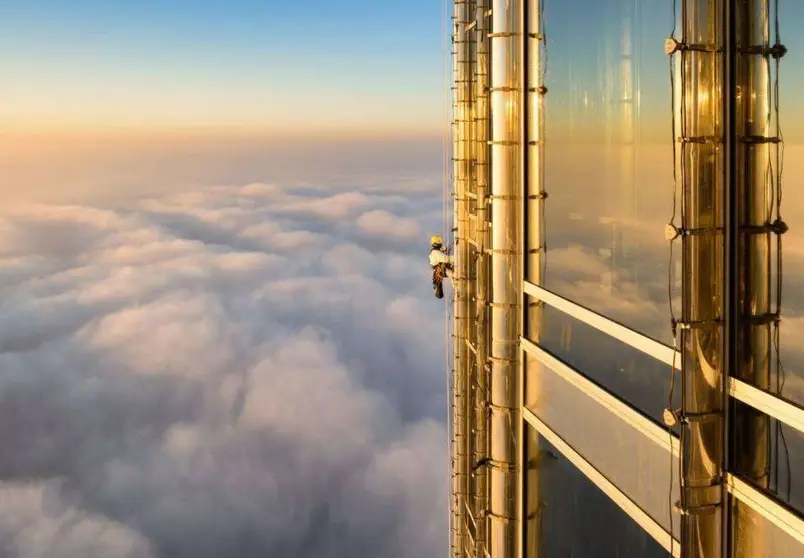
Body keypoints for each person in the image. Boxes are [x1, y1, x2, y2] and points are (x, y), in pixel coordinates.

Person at [429, 235, 454, 299]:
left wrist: (445, 248)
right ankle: (458, 287)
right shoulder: (435, 253)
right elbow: (446, 259)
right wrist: (457, 257)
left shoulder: (435, 251)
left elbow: (442, 250)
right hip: (441, 269)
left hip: (441, 269)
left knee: (453, 273)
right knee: (454, 276)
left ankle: (457, 285)